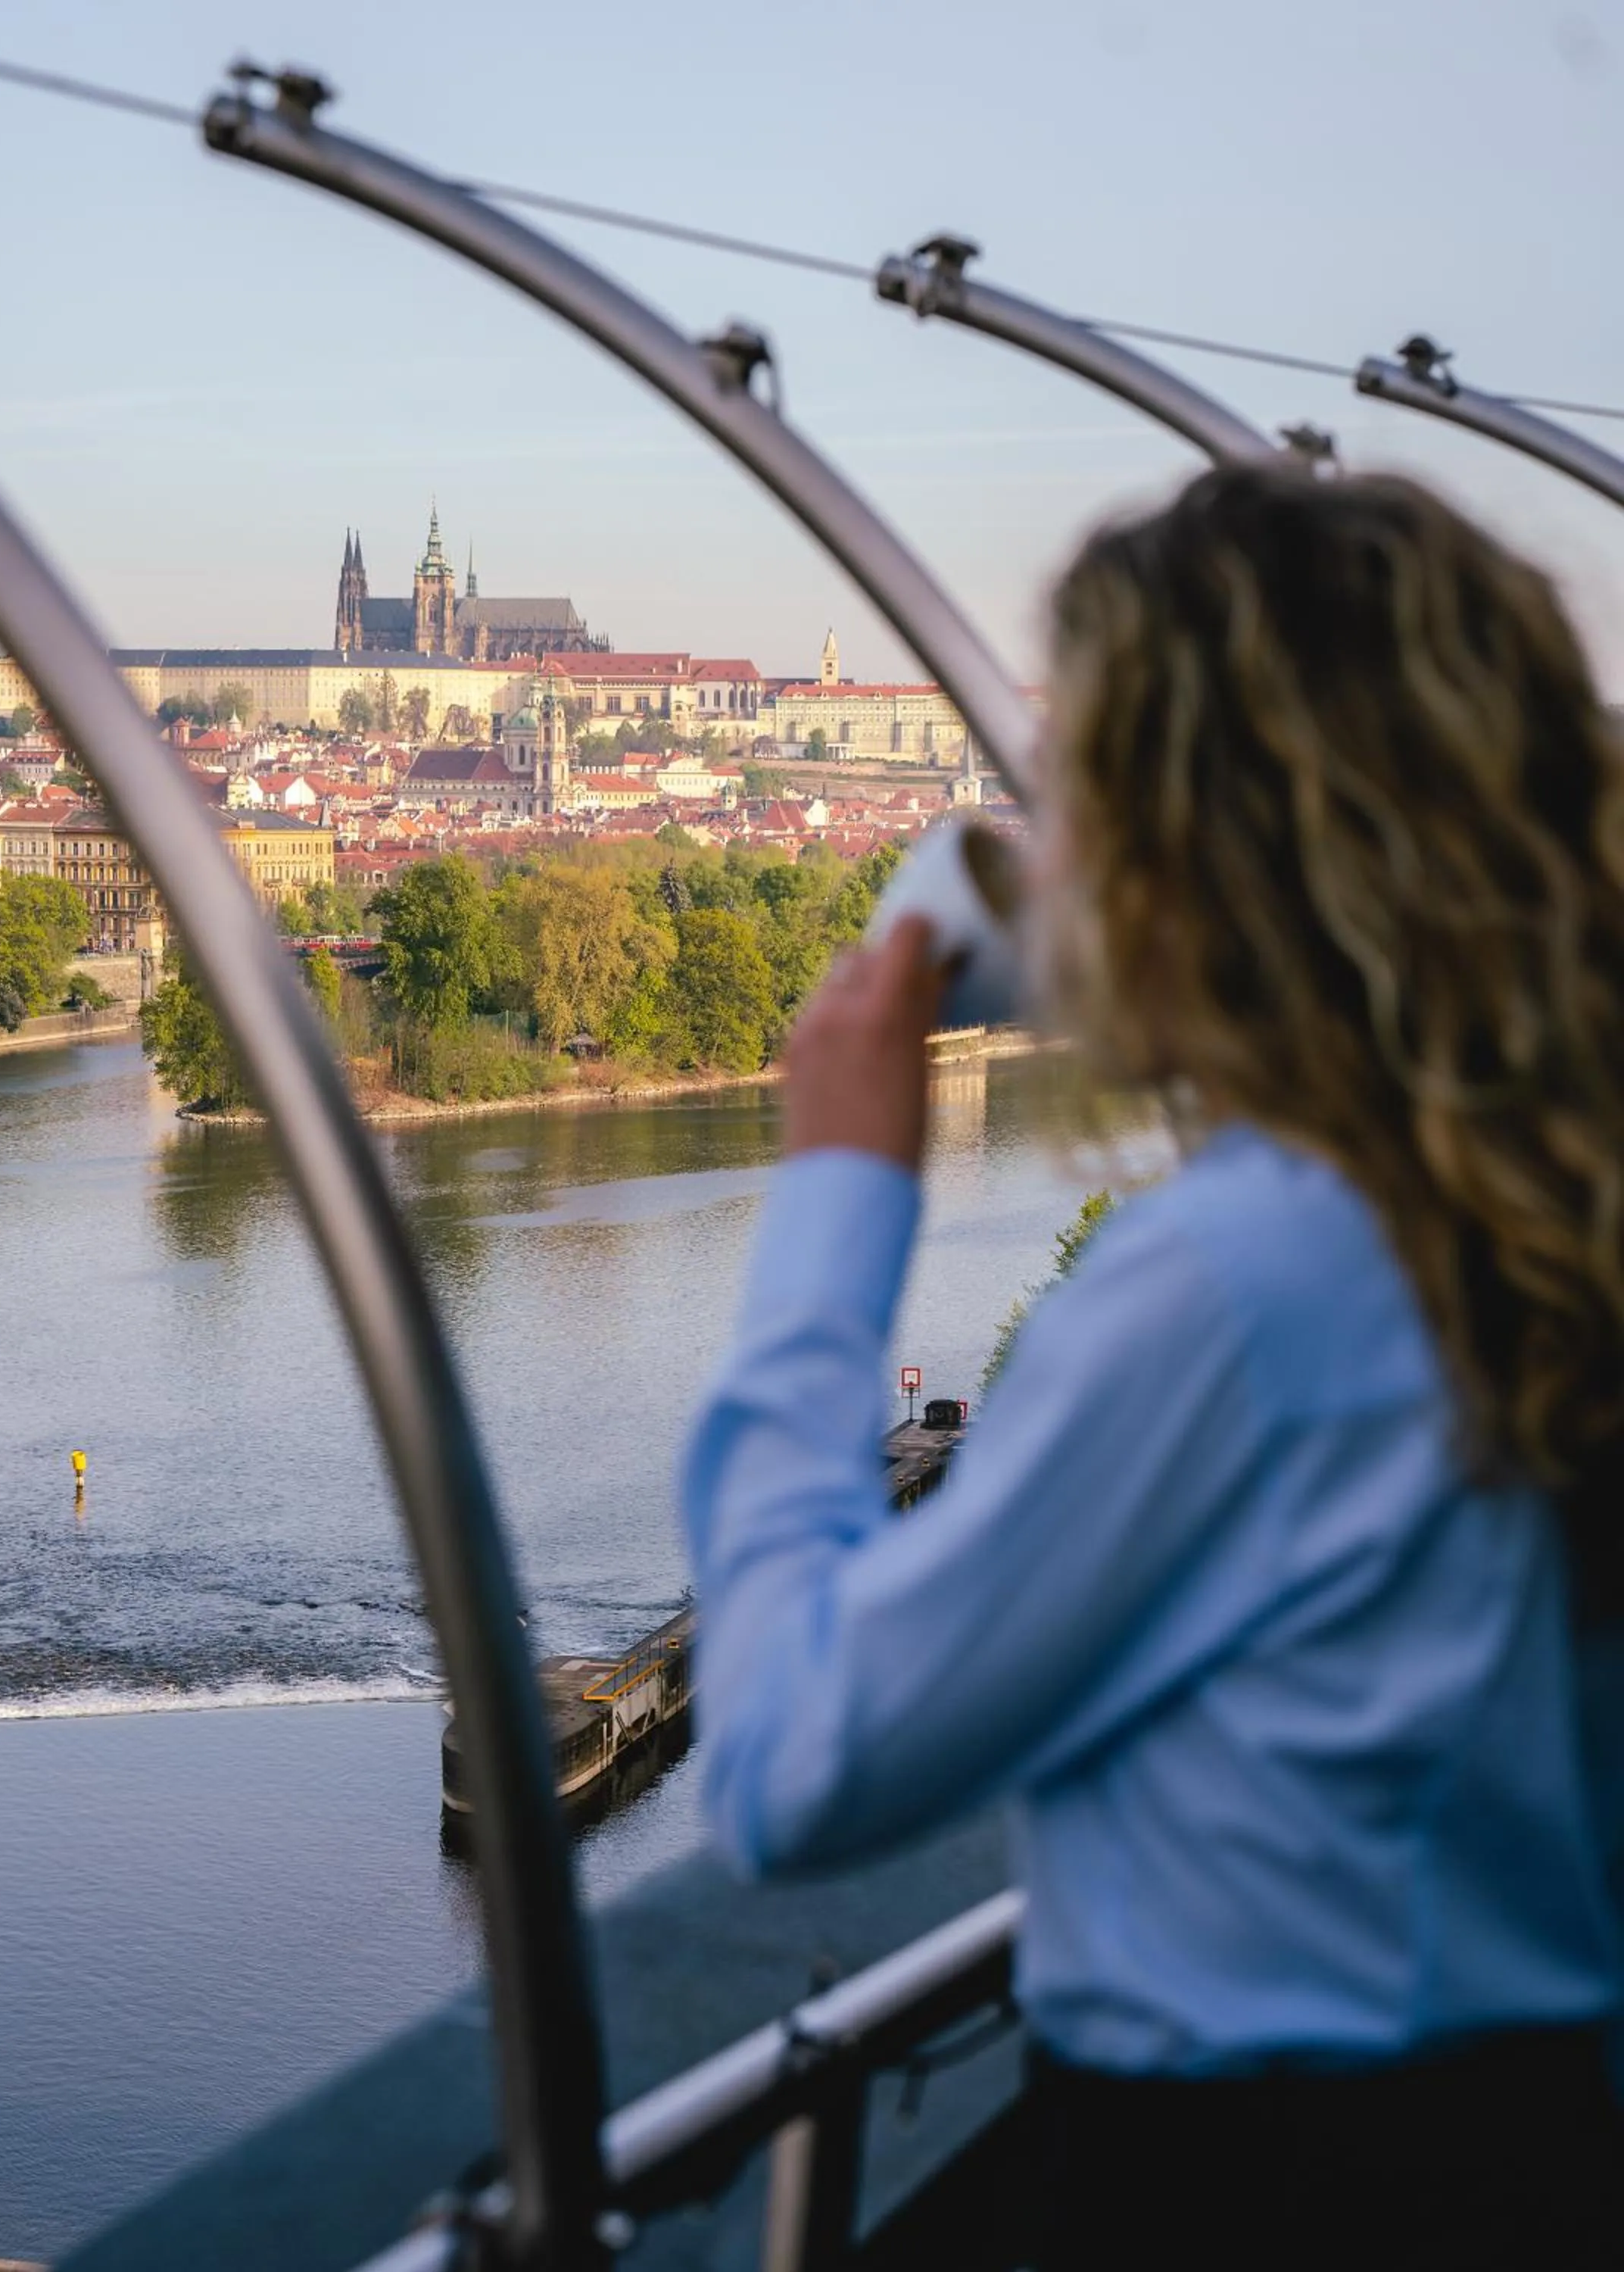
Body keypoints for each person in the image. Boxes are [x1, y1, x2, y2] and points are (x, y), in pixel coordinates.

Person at [682, 464, 1624, 2268]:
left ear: (1200, 854)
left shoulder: (1248, 1285)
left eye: (1087, 795)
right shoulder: (1527, 1207)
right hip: (1529, 2145)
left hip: (1273, 2186)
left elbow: (793, 1762)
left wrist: (836, 1201)